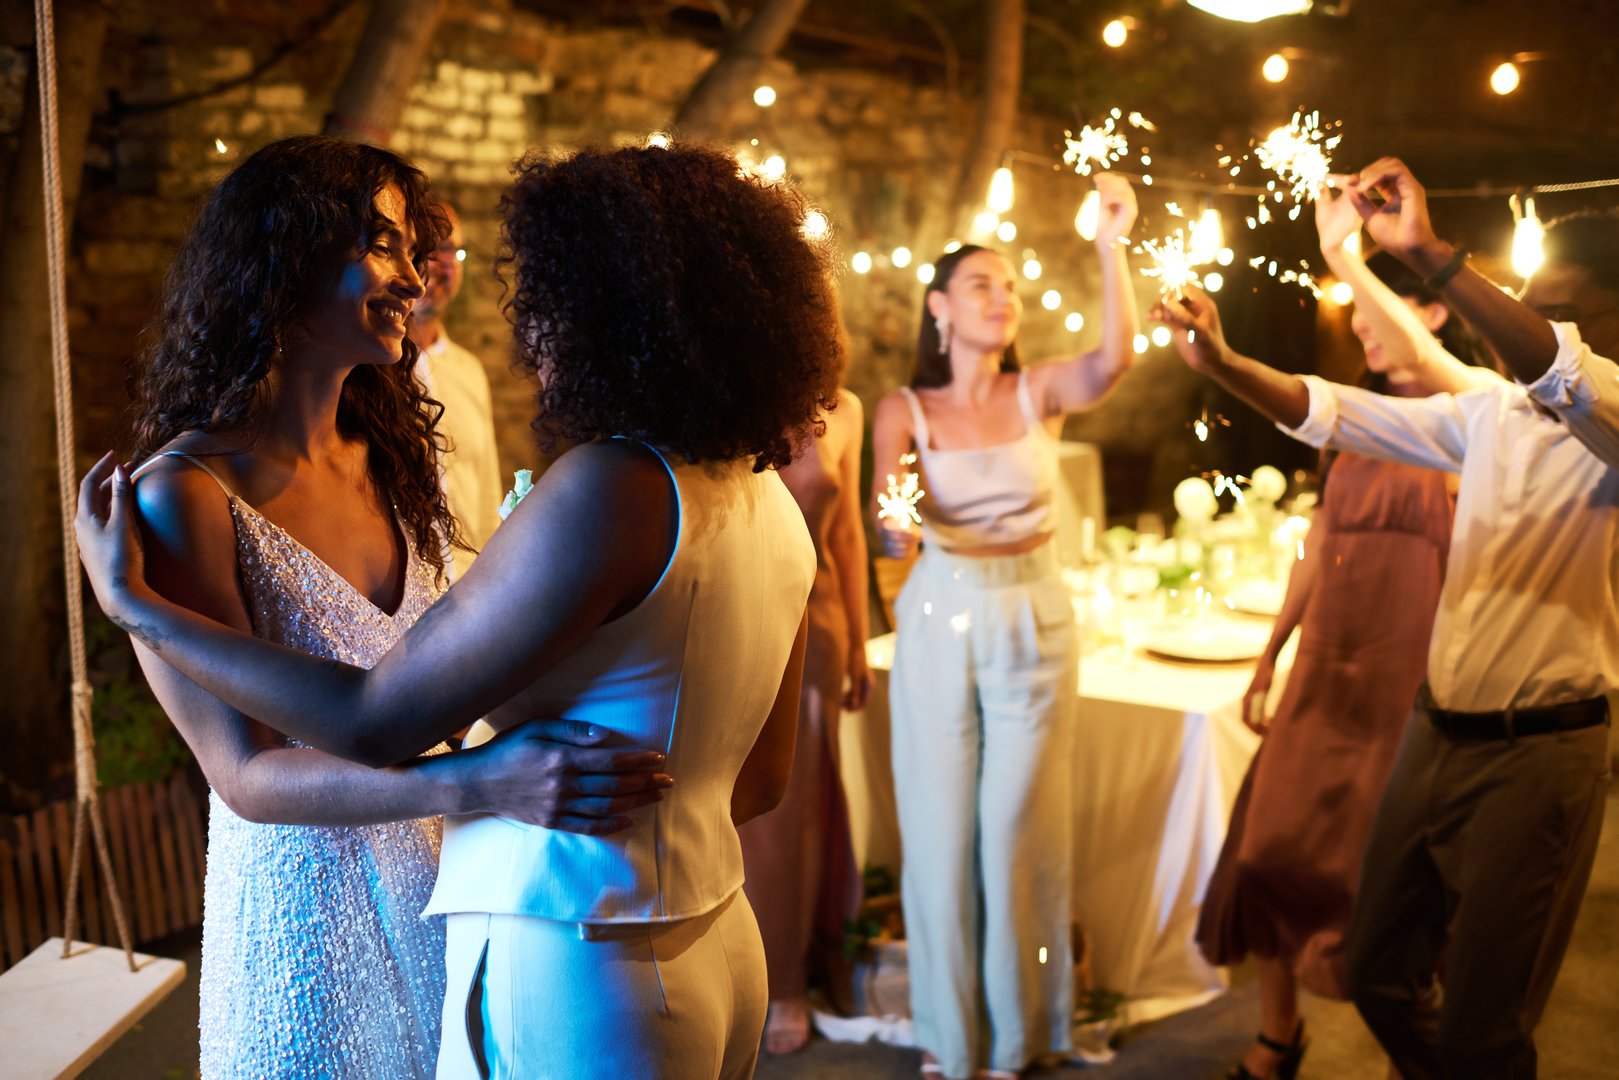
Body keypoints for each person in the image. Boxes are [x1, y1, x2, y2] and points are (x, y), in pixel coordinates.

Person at [78, 141, 843, 1080]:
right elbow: (242, 776)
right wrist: (481, 781)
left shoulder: (398, 461)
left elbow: (387, 715)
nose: (418, 277)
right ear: (282, 257)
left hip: (483, 894)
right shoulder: (182, 495)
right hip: (314, 929)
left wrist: (135, 608)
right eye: (384, 245)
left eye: (413, 249)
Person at [1155, 158, 1618, 1080]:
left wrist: (1427, 252)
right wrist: (1223, 362)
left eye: (1557, 310)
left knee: (1486, 1033)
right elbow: (1336, 412)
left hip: (1541, 752)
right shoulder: (1490, 413)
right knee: (1374, 973)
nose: (1529, 325)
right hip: (1432, 731)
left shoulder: (1604, 414)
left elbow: (1561, 368)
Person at [1196, 184, 1495, 1080]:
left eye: (1378, 307)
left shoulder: (1475, 425)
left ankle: (1417, 1048)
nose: (1359, 324)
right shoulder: (1346, 419)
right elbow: (1316, 545)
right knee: (1268, 847)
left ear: (1431, 315)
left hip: (1412, 676)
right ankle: (1276, 1035)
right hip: (1327, 667)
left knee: (1387, 874)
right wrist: (1269, 654)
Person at [867, 172, 1138, 1080]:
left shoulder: (1038, 391)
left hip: (1034, 611)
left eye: (1010, 285)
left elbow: (1114, 360)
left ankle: (1020, 1037)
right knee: (940, 830)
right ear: (939, 306)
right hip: (941, 610)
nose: (1002, 297)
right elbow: (888, 512)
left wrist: (1108, 243)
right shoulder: (903, 409)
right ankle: (949, 1037)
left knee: (1019, 828)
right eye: (980, 283)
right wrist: (894, 528)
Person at [739, 384, 873, 1054]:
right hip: (737, 616)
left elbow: (846, 532)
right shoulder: (727, 393)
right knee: (742, 814)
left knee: (798, 810)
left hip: (816, 624)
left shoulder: (844, 409)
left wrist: (860, 639)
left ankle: (790, 977)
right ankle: (742, 971)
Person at [409, 201, 504, 579]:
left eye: (451, 251)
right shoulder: (370, 372)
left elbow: (487, 495)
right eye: (427, 249)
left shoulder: (470, 372)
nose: (439, 264)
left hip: (469, 587)